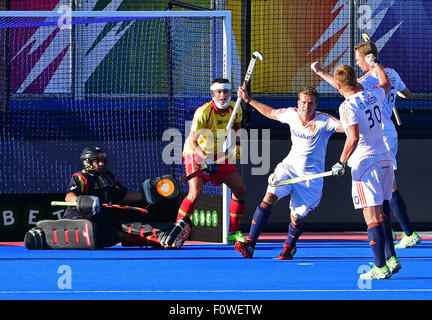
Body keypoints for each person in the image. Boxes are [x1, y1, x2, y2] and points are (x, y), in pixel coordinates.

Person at [311, 41, 421, 249]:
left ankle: (403, 235)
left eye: (359, 59)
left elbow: (342, 85)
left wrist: (319, 72)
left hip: (376, 138)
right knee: (387, 188)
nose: (358, 63)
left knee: (386, 192)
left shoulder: (367, 80)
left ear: (368, 58)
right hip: (387, 133)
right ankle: (398, 236)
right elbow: (407, 94)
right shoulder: (390, 74)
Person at [234, 86, 343, 260]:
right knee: (269, 197)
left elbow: (349, 128)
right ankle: (250, 244)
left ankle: (289, 247)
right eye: (303, 103)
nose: (306, 107)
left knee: (296, 218)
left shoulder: (325, 121)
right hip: (289, 168)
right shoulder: (292, 114)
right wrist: (248, 100)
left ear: (316, 105)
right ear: (297, 103)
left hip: (309, 179)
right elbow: (270, 112)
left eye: (310, 104)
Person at [24, 146, 191, 250]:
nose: (101, 164)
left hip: (104, 222)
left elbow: (125, 197)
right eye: (97, 161)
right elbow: (69, 196)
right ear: (87, 163)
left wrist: (149, 194)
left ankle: (166, 236)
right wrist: (85, 202)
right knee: (120, 231)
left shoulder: (108, 177)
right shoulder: (80, 178)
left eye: (103, 160)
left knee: (126, 228)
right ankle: (161, 238)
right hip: (82, 221)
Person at [328, 59, 401, 279]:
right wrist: (377, 66)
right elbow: (386, 84)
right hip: (385, 159)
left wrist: (340, 162)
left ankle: (379, 267)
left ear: (339, 87)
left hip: (365, 163)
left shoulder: (347, 106)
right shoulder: (373, 94)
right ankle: (389, 259)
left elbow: (353, 137)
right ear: (355, 81)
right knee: (380, 214)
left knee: (371, 217)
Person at [176, 78, 247, 244]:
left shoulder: (235, 108)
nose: (222, 95)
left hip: (218, 153)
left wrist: (237, 144)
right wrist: (205, 159)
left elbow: (237, 127)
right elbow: (193, 141)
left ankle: (233, 232)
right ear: (213, 94)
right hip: (195, 151)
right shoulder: (203, 112)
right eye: (219, 92)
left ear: (230, 93)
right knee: (195, 192)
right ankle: (177, 229)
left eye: (226, 91)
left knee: (240, 189)